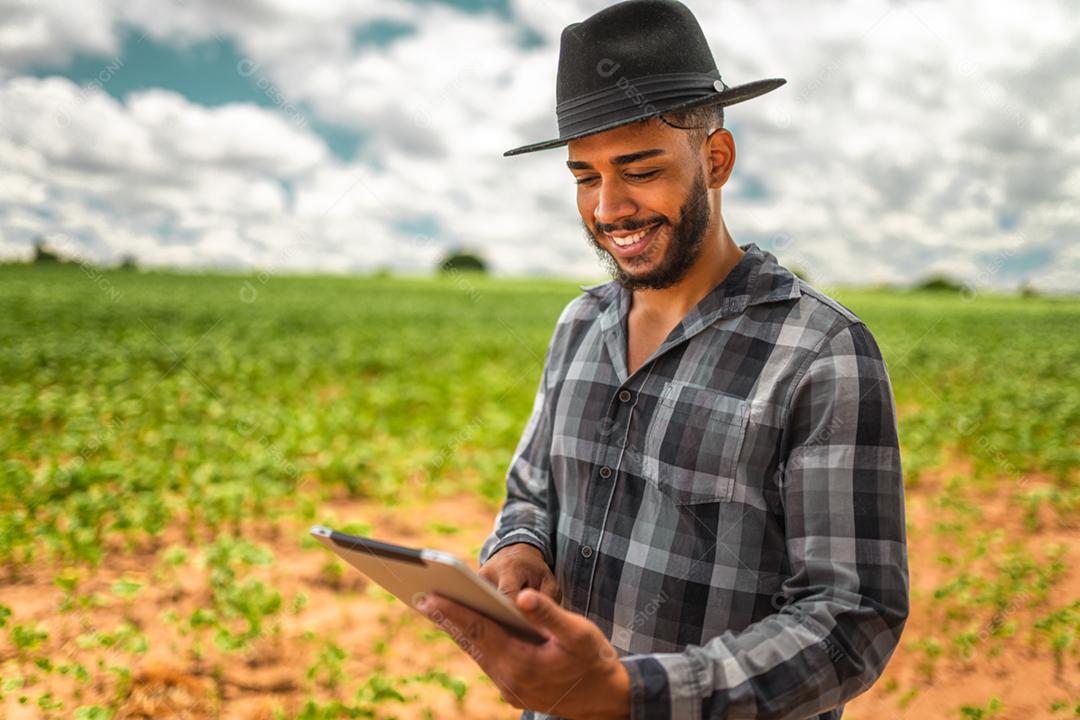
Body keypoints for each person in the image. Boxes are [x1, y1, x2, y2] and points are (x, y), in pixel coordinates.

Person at [415, 1, 909, 718]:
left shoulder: (820, 353)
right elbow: (530, 492)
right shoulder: (580, 324)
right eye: (585, 176)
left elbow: (850, 620)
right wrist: (521, 548)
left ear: (716, 160)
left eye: (639, 170)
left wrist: (632, 695)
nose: (609, 208)